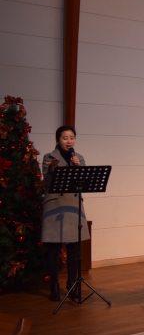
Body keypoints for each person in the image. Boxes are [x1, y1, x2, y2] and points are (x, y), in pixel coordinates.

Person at [41, 126, 89, 301]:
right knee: (54, 249)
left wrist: (78, 168)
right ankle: (54, 285)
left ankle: (72, 284)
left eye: (72, 138)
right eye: (65, 138)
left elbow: (84, 183)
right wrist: (53, 169)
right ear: (58, 140)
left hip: (73, 206)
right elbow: (47, 184)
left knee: (74, 248)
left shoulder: (79, 158)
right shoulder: (49, 157)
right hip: (55, 206)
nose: (69, 141)